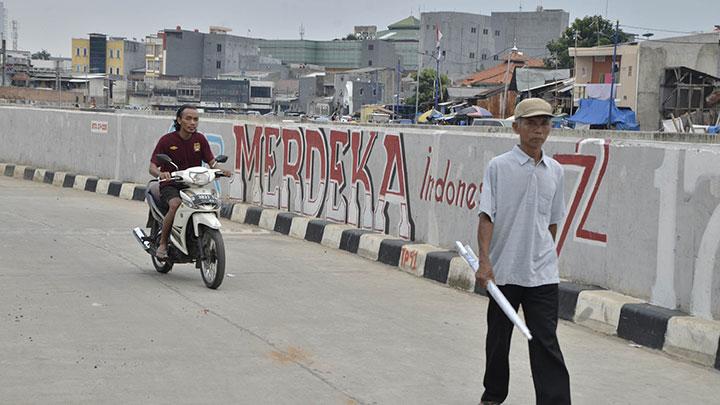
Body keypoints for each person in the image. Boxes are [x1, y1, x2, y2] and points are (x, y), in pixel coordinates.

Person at [475, 98, 570, 405]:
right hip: (504, 271)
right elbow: (487, 216)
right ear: (516, 127)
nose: (538, 131)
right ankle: (493, 396)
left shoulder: (555, 171)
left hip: (542, 274)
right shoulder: (499, 167)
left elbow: (552, 223)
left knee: (545, 342)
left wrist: (541, 254)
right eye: (531, 123)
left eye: (544, 124)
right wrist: (485, 262)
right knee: (498, 341)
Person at [148, 105, 229, 260]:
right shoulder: (167, 140)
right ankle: (163, 244)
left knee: (209, 202)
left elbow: (212, 162)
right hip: (171, 184)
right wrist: (161, 173)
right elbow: (152, 167)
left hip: (193, 184)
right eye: (188, 119)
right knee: (175, 204)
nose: (192, 122)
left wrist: (220, 170)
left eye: (196, 119)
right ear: (179, 120)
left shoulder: (200, 140)